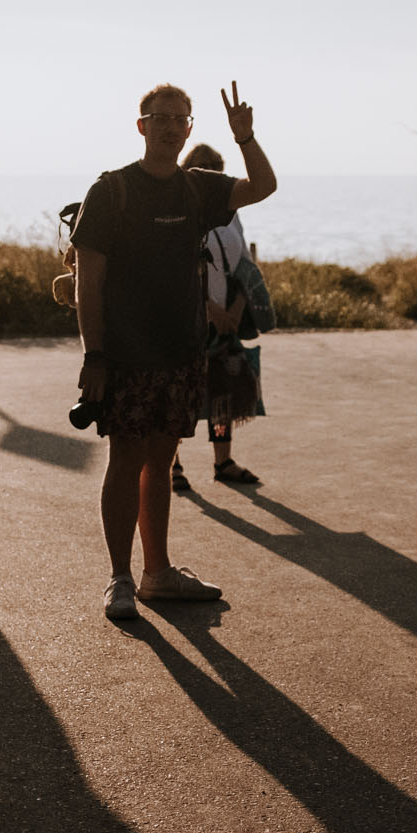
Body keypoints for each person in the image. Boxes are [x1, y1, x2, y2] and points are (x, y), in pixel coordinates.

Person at [73, 82, 277, 621]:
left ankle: (156, 573)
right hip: (125, 354)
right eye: (159, 118)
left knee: (161, 462)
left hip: (183, 352)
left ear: (189, 129)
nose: (169, 127)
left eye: (179, 119)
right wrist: (95, 356)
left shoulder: (197, 188)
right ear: (141, 126)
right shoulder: (112, 191)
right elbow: (88, 284)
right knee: (125, 460)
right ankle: (120, 577)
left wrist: (245, 137)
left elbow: (263, 185)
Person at [170, 142, 264, 494]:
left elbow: (243, 265)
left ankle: (222, 461)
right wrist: (211, 309)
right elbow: (177, 269)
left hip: (225, 319)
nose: (213, 173)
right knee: (179, 395)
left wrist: (236, 309)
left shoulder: (230, 210)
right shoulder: (180, 209)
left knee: (222, 396)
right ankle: (172, 463)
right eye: (204, 166)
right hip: (189, 317)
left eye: (217, 168)